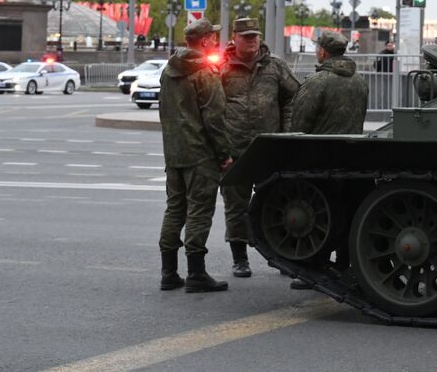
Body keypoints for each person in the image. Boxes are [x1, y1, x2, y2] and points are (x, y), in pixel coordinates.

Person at [287, 31, 370, 289]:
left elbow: (300, 124)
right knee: (348, 208)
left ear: (323, 52)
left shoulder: (317, 82)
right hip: (352, 157)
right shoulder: (359, 81)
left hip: (319, 158)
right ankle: (345, 263)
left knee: (318, 214)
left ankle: (316, 265)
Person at [219, 17, 299, 278]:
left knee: (280, 203)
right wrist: (221, 150)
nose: (252, 40)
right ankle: (240, 258)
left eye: (255, 35)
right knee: (235, 205)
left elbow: (293, 97)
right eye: (246, 36)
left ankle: (285, 257)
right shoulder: (222, 68)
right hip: (235, 150)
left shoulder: (274, 66)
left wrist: (286, 134)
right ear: (235, 38)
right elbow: (209, 109)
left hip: (269, 149)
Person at [158, 19, 233, 293]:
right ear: (203, 41)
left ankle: (168, 273)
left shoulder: (168, 70)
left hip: (174, 153)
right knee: (200, 212)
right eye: (212, 37)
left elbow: (164, 111)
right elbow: (215, 118)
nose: (215, 40)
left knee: (174, 209)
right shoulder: (205, 72)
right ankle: (196, 274)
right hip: (200, 155)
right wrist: (224, 154)